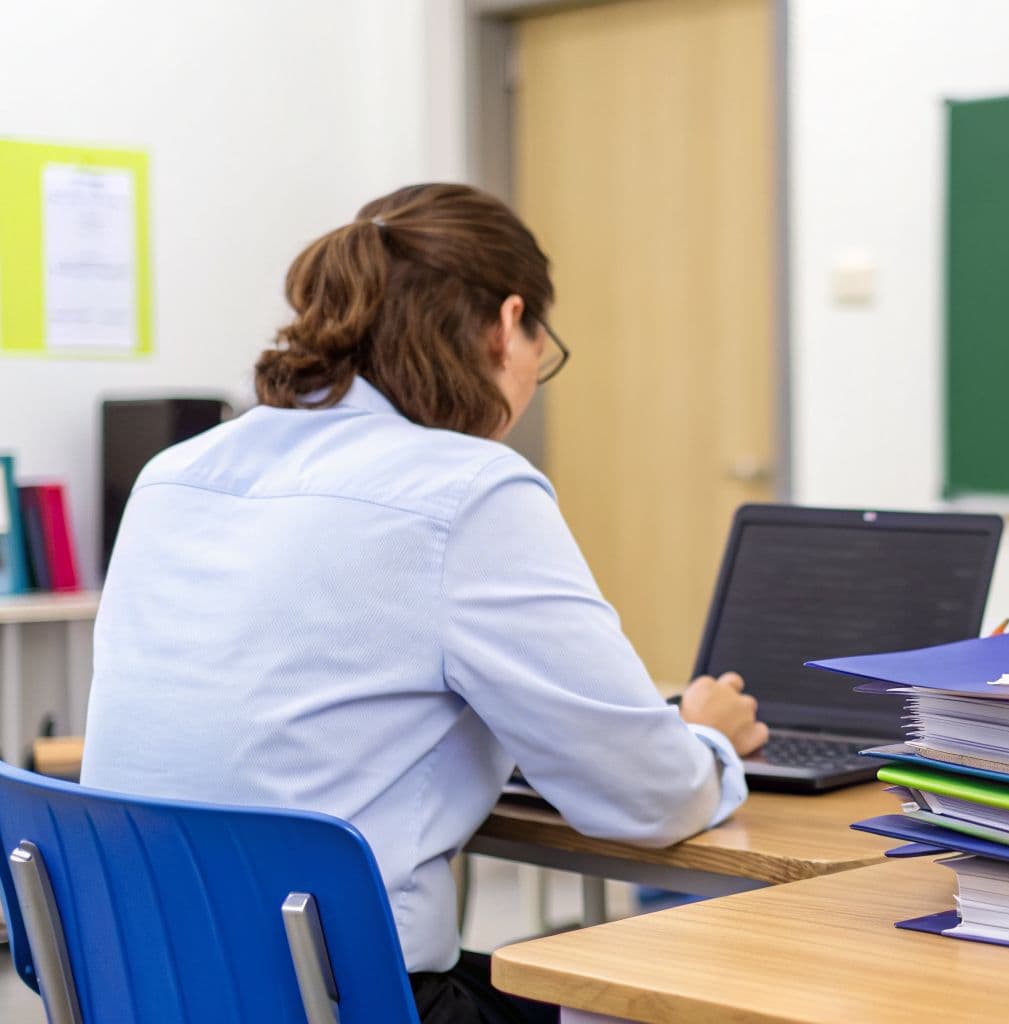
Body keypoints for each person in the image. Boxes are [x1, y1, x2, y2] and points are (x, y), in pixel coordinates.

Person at [80, 183, 767, 1024]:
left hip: (149, 986)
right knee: (670, 1000)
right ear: (506, 323)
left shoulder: (174, 472)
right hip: (336, 1000)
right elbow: (648, 798)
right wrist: (705, 737)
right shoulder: (466, 488)